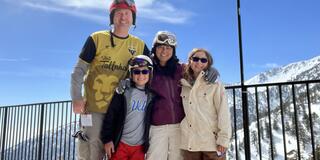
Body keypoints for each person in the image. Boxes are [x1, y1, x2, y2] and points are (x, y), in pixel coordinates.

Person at [70, 0, 149, 159]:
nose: (123, 17)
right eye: (118, 13)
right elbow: (78, 71)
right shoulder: (97, 39)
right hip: (94, 111)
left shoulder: (139, 45)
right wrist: (76, 98)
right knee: (92, 154)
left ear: (133, 18)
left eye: (127, 13)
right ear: (112, 17)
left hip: (122, 113)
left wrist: (194, 67)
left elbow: (157, 69)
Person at [146, 31, 219, 160]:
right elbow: (136, 74)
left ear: (173, 50)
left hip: (179, 126)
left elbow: (197, 67)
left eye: (168, 48)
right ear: (154, 49)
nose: (164, 51)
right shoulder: (149, 68)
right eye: (160, 47)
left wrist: (210, 69)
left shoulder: (181, 69)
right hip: (157, 126)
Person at [180, 48, 231, 160]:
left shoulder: (215, 84)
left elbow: (223, 112)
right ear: (190, 61)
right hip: (190, 143)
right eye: (196, 59)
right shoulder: (183, 83)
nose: (199, 62)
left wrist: (223, 139)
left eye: (203, 60)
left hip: (211, 143)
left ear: (208, 64)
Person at [101, 55, 154, 160]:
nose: (141, 75)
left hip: (139, 147)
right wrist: (107, 139)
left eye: (144, 72)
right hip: (121, 144)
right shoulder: (123, 91)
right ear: (131, 74)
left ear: (150, 73)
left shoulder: (151, 96)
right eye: (136, 72)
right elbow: (111, 115)